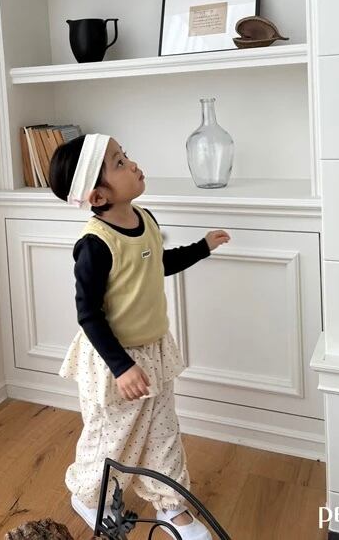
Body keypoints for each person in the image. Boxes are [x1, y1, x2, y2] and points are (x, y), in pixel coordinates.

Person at [49, 134, 230, 540]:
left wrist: (201, 247)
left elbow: (157, 263)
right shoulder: (95, 245)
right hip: (114, 360)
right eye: (118, 163)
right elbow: (88, 314)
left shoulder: (145, 218)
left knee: (164, 431)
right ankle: (89, 496)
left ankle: (170, 505)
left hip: (153, 350)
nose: (132, 164)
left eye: (125, 156)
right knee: (112, 437)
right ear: (97, 196)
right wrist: (121, 366)